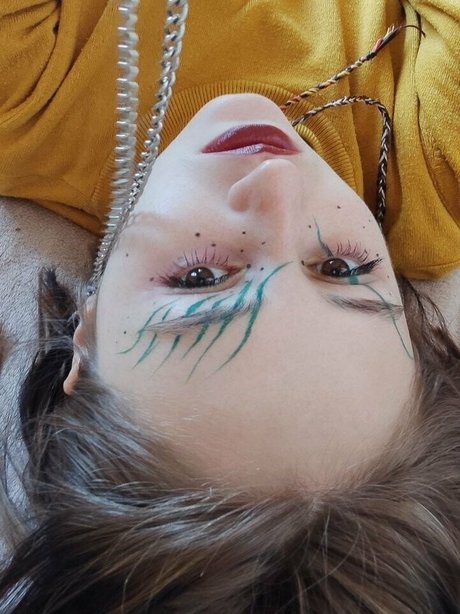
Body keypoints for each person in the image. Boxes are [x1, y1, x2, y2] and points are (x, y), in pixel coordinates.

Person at [0, 1, 459, 612]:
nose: (278, 185)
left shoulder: (27, 103)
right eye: (343, 269)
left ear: (87, 338)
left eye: (200, 277)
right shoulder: (435, 171)